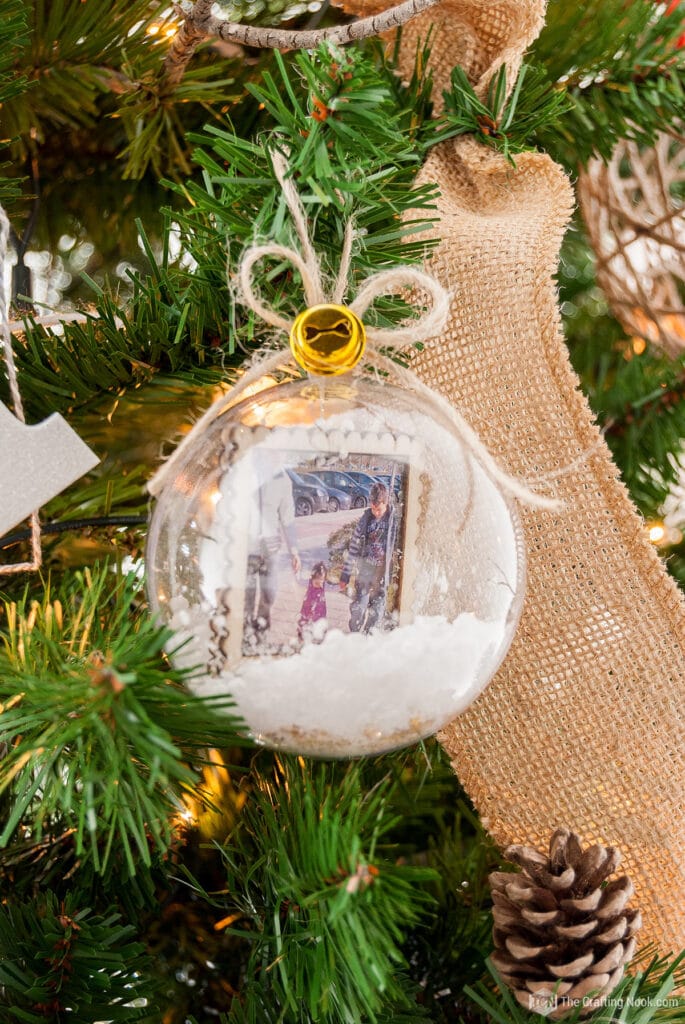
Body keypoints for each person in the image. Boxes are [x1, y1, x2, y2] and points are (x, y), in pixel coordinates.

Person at [243, 460, 301, 653]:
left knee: (269, 594)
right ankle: (244, 637)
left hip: (270, 550)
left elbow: (288, 517)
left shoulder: (282, 480)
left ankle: (260, 635)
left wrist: (294, 551)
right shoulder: (246, 474)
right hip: (246, 549)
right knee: (246, 596)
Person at [339, 482, 395, 634]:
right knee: (359, 607)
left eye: (380, 509)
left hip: (382, 571)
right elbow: (354, 547)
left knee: (377, 610)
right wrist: (345, 574)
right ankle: (354, 634)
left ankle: (369, 636)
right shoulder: (366, 519)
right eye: (373, 508)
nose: (376, 513)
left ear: (386, 503)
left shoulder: (392, 520)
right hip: (366, 569)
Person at [297, 562, 328, 644]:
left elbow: (334, 588)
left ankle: (318, 643)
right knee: (304, 628)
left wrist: (342, 585)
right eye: (316, 579)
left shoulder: (324, 586)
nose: (319, 581)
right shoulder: (308, 583)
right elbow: (299, 580)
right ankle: (302, 642)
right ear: (312, 577)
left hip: (319, 614)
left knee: (319, 631)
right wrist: (297, 571)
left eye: (321, 579)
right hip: (307, 612)